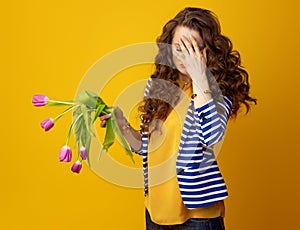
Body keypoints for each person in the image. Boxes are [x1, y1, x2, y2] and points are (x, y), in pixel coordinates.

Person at [99, 7, 256, 230]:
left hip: (198, 218)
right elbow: (148, 148)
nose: (185, 55)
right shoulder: (159, 88)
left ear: (207, 51)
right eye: (179, 47)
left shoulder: (218, 91)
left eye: (193, 48)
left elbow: (211, 137)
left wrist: (200, 76)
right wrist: (121, 124)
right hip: (155, 213)